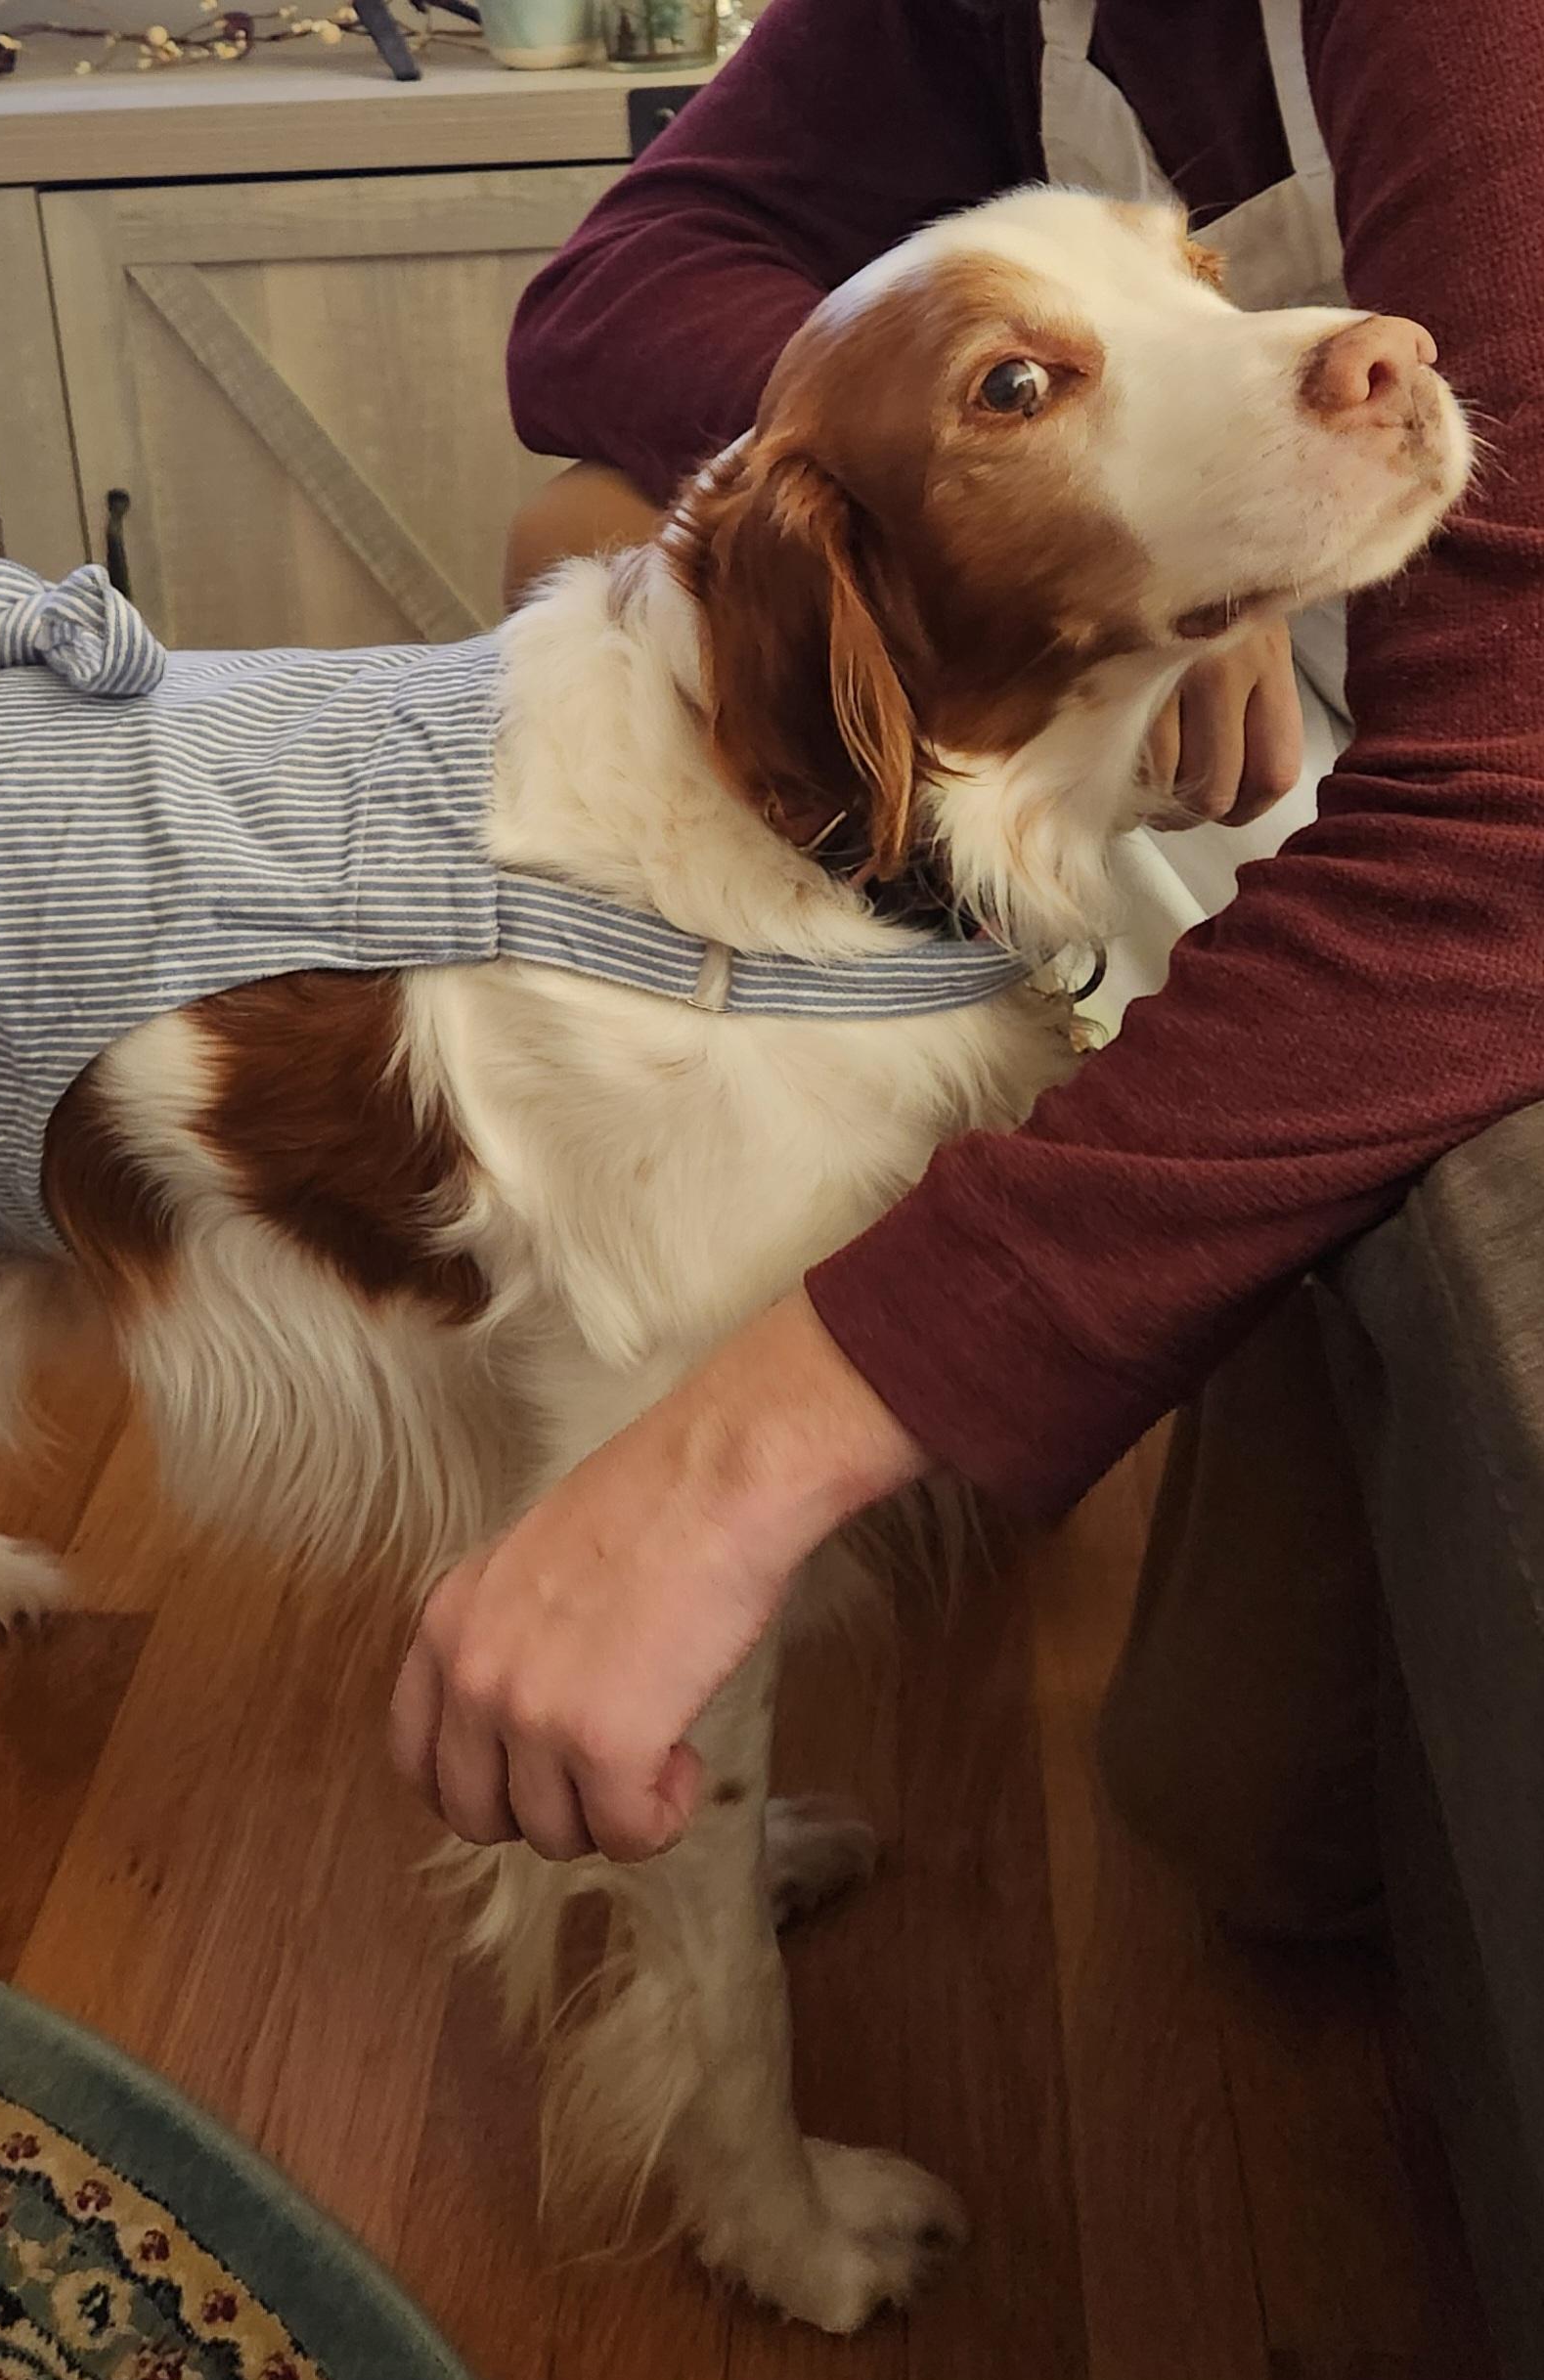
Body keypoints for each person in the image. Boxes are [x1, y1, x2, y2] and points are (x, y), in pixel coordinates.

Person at [388, 0, 1544, 1926]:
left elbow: (1511, 829)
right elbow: (599, 297)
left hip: (1462, 837)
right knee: (581, 530)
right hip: (1208, 767)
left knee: (1237, 1800)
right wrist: (1090, 475)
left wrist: (724, 1464)